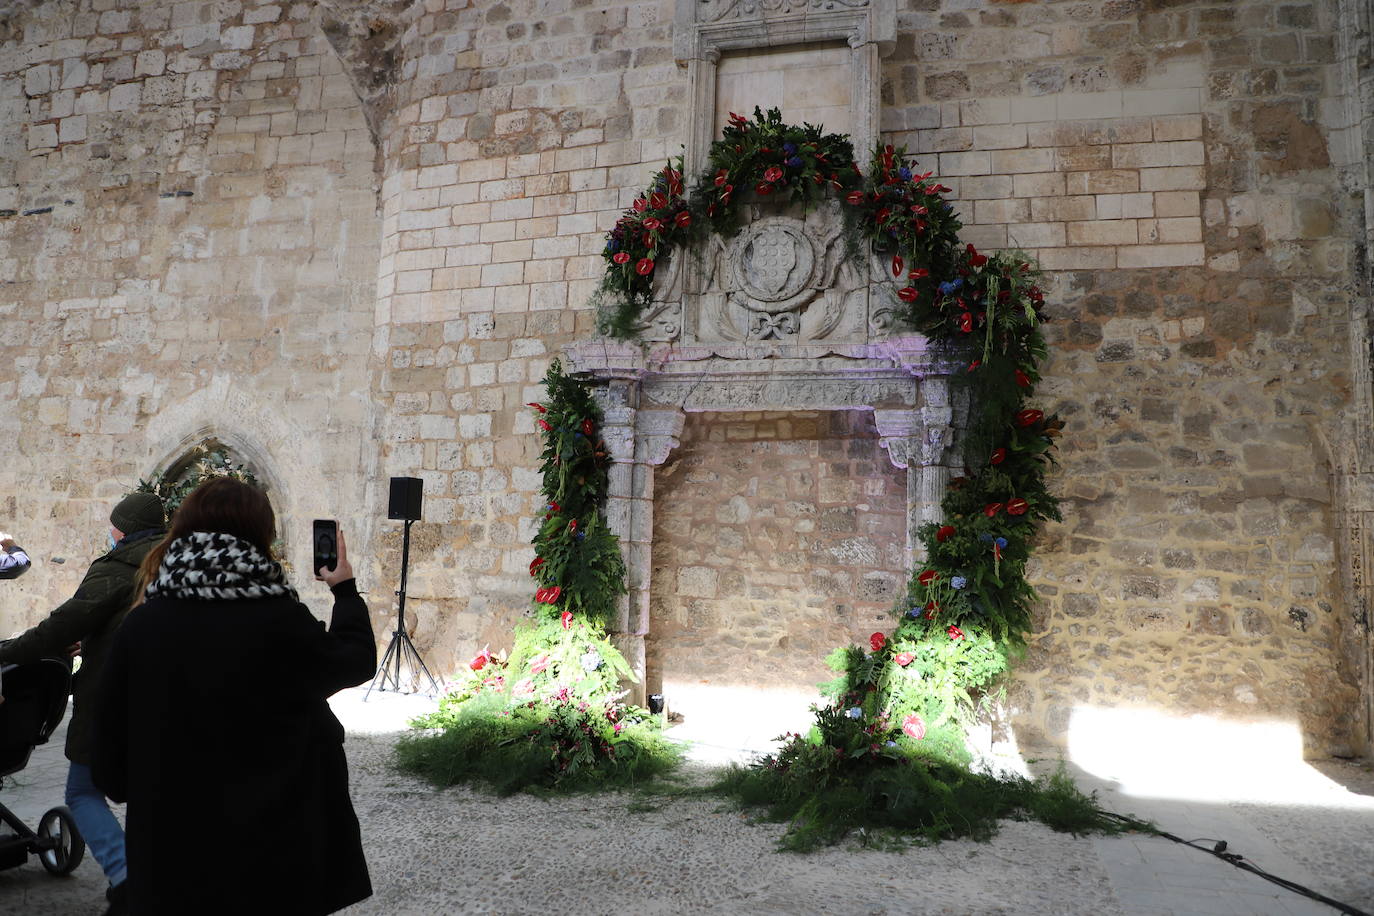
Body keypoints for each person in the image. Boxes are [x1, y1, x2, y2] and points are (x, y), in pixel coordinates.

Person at [92, 477, 375, 915]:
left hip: (175, 870)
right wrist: (343, 589)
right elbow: (354, 661)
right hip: (272, 867)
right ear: (260, 536)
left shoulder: (143, 628)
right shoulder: (281, 620)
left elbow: (108, 767)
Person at [0, 492, 167, 915]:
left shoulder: (118, 568)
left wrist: (8, 652)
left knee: (82, 790)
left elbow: (62, 624)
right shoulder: (174, 563)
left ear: (121, 529)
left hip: (112, 694)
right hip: (165, 698)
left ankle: (128, 877)